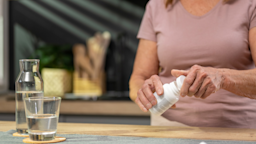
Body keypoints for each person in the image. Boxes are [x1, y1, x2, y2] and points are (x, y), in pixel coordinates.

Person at [129, 0, 256, 129]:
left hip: (238, 130)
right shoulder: (157, 5)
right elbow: (139, 77)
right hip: (168, 129)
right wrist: (145, 92)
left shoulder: (250, 4)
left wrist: (223, 77)